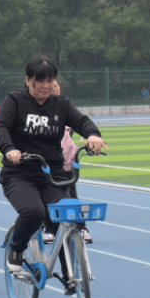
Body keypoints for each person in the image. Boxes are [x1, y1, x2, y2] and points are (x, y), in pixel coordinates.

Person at [0, 57, 106, 289]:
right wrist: (9, 149)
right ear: (28, 80)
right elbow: (1, 126)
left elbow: (81, 121)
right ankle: (16, 248)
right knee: (34, 212)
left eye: (50, 80)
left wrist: (93, 134)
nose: (46, 85)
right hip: (19, 174)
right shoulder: (15, 101)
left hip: (52, 176)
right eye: (40, 80)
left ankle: (70, 275)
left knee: (66, 217)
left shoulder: (61, 104)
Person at [53, 80, 91, 244]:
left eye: (56, 85)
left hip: (67, 162)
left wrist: (91, 135)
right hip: (47, 164)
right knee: (48, 196)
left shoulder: (65, 108)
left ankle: (81, 227)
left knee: (71, 195)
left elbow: (78, 123)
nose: (53, 88)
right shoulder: (36, 110)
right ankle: (48, 228)